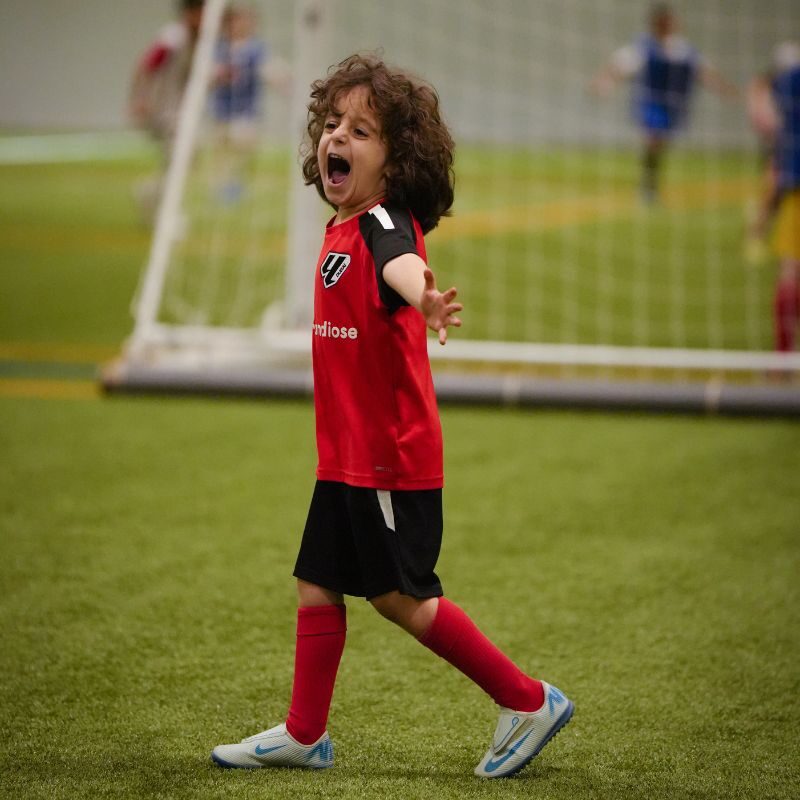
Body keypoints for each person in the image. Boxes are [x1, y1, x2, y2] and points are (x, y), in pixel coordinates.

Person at [210, 53, 574, 779]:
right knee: (317, 579)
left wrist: (424, 296)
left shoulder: (380, 222)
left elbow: (401, 261)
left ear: (397, 158)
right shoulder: (340, 222)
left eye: (363, 130)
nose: (339, 138)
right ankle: (305, 733)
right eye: (334, 123)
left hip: (387, 458)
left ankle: (528, 700)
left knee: (399, 596)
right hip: (344, 454)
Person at [591, 3, 738, 204]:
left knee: (659, 145)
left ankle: (650, 184)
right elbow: (619, 66)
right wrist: (604, 83)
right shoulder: (644, 46)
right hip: (651, 102)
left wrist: (724, 89)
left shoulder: (683, 49)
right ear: (658, 23)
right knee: (653, 140)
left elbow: (703, 72)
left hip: (673, 105)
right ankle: (648, 188)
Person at [128, 0, 205, 222]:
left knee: (182, 160)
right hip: (163, 111)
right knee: (183, 157)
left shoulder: (197, 39)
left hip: (179, 111)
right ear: (192, 13)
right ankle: (168, 212)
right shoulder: (173, 38)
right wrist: (139, 99)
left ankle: (151, 193)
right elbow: (145, 66)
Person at [210, 5, 288, 203]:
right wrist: (218, 75)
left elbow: (271, 70)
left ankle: (233, 188)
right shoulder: (219, 48)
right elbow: (209, 76)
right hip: (221, 112)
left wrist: (283, 81)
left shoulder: (255, 49)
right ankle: (223, 191)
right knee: (222, 155)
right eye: (235, 21)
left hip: (246, 113)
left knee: (243, 148)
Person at [766, 46, 800, 352]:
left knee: (790, 271)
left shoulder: (788, 80)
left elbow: (766, 121)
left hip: (796, 188)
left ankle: (783, 359)